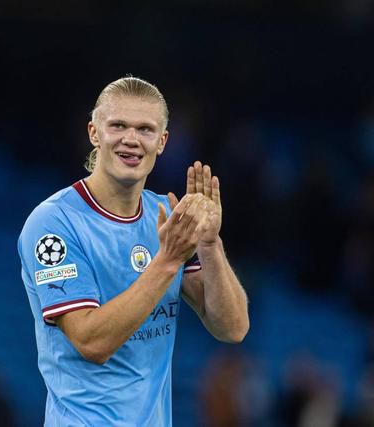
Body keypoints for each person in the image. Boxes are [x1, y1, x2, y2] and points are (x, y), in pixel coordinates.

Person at [18, 76, 249, 426]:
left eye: (145, 129)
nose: (131, 139)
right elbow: (92, 343)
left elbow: (231, 328)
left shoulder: (166, 218)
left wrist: (209, 245)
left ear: (162, 141)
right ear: (94, 133)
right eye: (118, 126)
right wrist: (167, 261)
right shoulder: (54, 223)